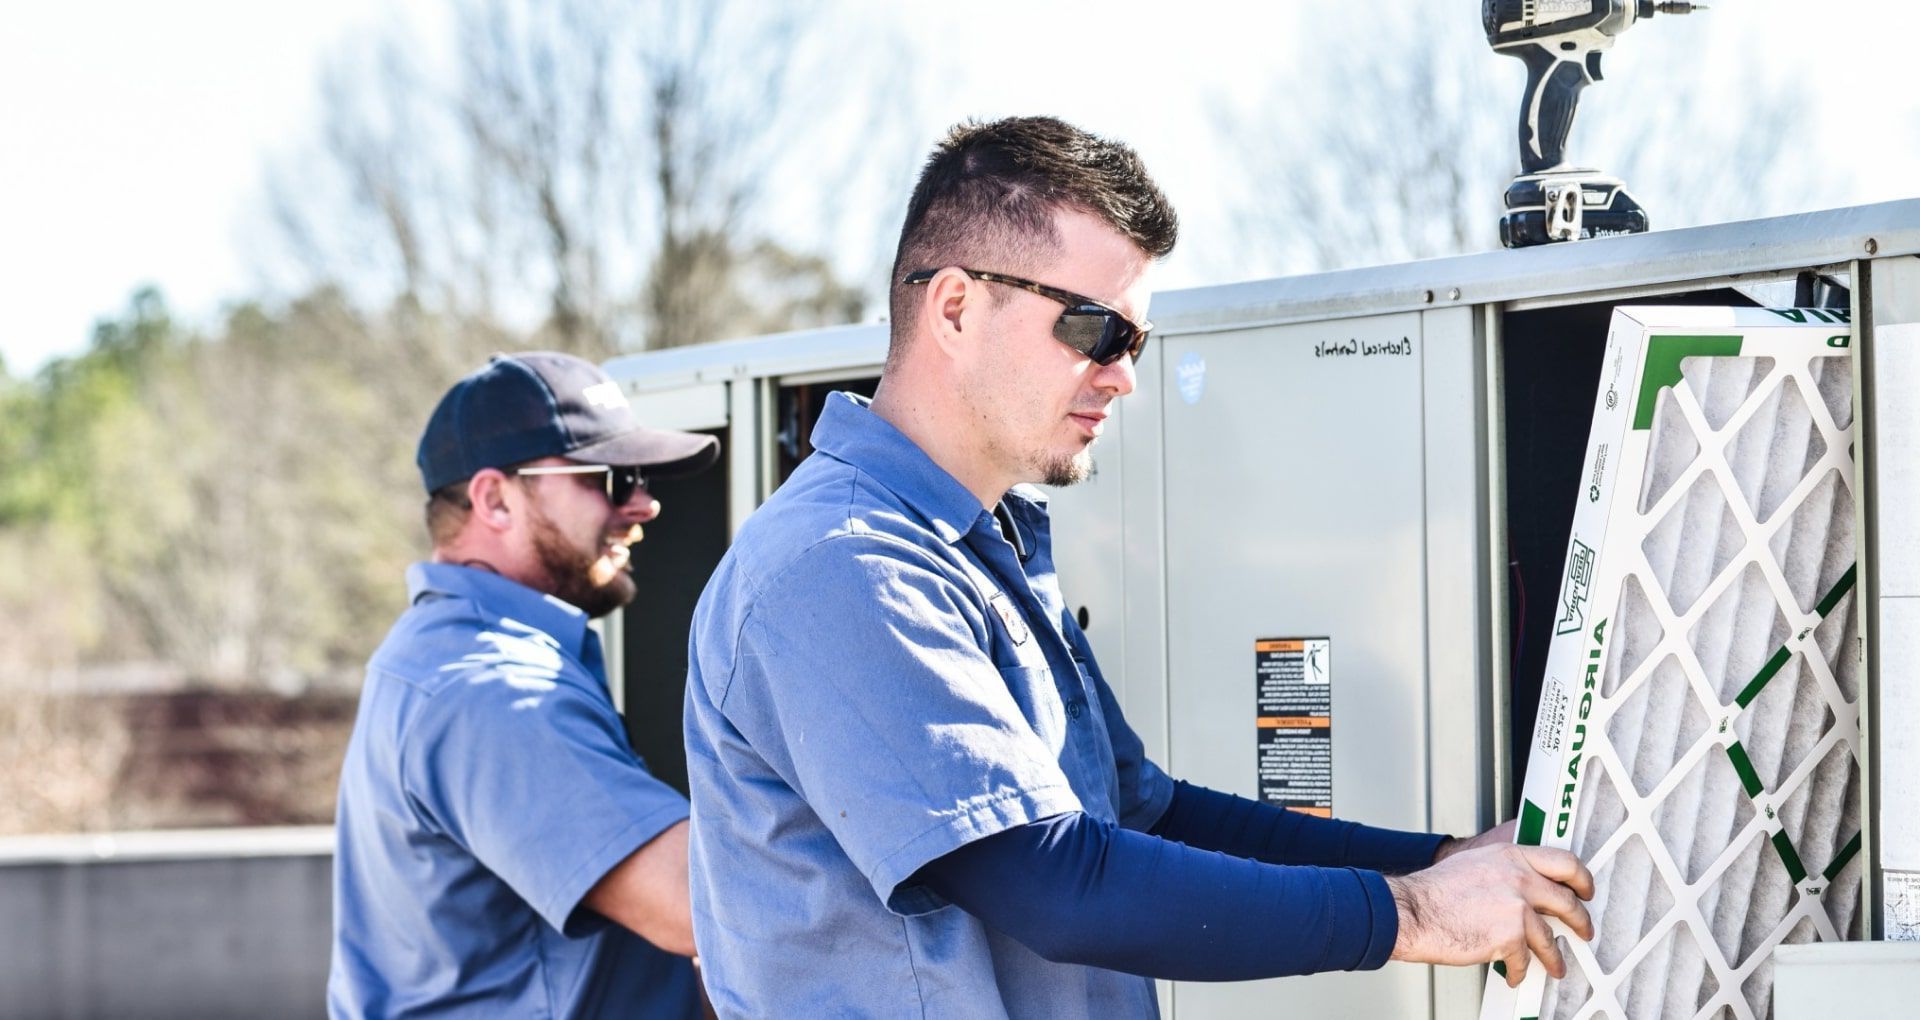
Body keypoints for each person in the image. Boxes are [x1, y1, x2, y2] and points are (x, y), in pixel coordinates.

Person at [682, 116, 1595, 1017]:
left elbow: (1147, 814)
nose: (1125, 377)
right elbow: (1053, 884)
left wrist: (1437, 861)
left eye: (1137, 342)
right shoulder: (842, 566)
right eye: (1096, 331)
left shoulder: (985, 551)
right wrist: (1417, 916)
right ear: (954, 307)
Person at [329, 351, 719, 1019]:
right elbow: (700, 904)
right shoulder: (490, 689)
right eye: (611, 476)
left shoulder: (442, 653)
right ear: (494, 499)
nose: (645, 503)